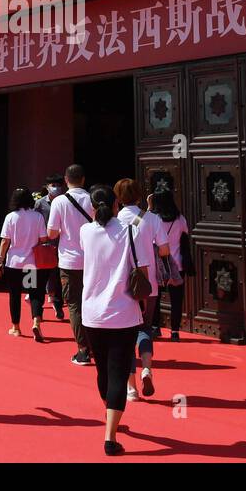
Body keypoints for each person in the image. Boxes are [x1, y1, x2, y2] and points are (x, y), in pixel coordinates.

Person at [81, 184, 153, 456]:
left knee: (103, 371)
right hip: (123, 313)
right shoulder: (129, 230)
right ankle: (110, 436)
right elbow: (142, 268)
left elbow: (95, 223)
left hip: (92, 314)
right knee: (118, 373)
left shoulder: (85, 231)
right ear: (116, 206)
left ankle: (109, 413)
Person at [116, 179, 170, 401]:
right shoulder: (153, 219)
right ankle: (147, 367)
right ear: (139, 196)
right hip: (147, 283)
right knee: (145, 328)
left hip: (122, 283)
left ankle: (131, 388)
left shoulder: (116, 220)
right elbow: (165, 249)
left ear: (118, 198)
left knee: (126, 335)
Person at [47, 163, 93, 365]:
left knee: (74, 304)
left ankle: (83, 349)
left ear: (66, 180)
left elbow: (52, 233)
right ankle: (97, 344)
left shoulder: (59, 202)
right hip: (92, 259)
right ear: (83, 179)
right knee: (91, 302)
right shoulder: (92, 199)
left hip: (69, 260)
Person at [0, 187, 49, 341]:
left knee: (14, 295)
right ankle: (36, 322)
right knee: (34, 293)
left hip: (13, 263)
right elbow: (44, 239)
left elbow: (5, 241)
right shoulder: (37, 217)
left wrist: (0, 261)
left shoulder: (10, 217)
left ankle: (16, 327)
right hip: (30, 263)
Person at [151, 191, 189, 340]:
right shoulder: (180, 219)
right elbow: (185, 234)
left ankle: (155, 327)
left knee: (156, 297)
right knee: (177, 300)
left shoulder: (155, 219)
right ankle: (174, 331)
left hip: (159, 265)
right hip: (177, 264)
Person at [34, 174, 66, 320]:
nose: (55, 188)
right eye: (52, 185)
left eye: (58, 185)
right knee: (42, 276)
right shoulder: (40, 204)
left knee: (58, 275)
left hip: (62, 244)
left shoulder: (65, 202)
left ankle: (58, 305)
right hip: (45, 245)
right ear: (47, 187)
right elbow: (34, 223)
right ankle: (37, 309)